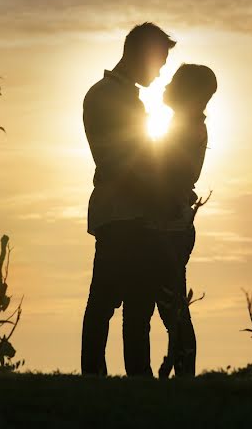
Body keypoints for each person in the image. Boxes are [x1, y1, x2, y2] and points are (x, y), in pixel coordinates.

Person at [80, 22, 175, 376]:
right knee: (108, 301)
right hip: (121, 212)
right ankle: (99, 374)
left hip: (131, 210)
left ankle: (133, 376)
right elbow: (119, 160)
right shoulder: (108, 96)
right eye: (159, 61)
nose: (161, 70)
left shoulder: (120, 97)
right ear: (140, 55)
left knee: (135, 303)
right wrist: (159, 194)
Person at [151, 64, 217, 378]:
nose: (166, 86)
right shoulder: (181, 125)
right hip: (170, 223)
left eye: (174, 82)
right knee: (168, 305)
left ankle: (183, 375)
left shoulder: (187, 127)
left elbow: (177, 173)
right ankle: (179, 373)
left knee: (172, 306)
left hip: (170, 226)